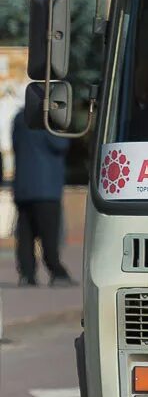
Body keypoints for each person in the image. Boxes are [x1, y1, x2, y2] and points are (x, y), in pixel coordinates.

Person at [12, 108, 72, 286]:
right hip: (46, 188)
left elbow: (16, 144)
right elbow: (60, 145)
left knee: (25, 234)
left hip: (23, 186)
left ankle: (27, 275)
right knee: (49, 234)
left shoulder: (19, 118)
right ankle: (57, 272)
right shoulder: (48, 120)